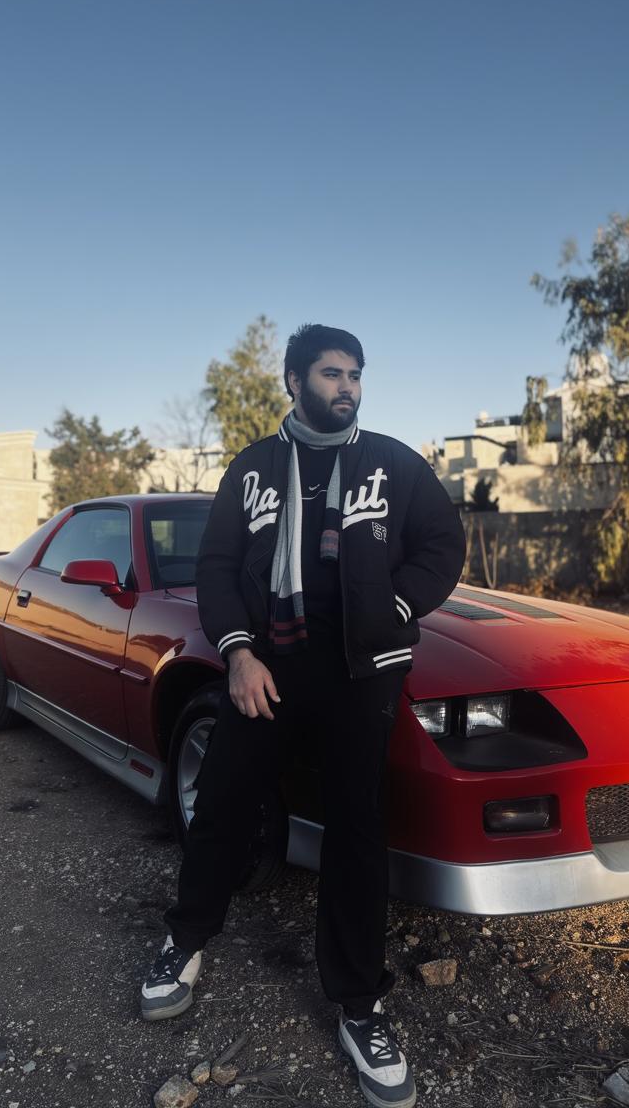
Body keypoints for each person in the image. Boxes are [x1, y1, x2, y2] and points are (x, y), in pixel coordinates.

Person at [140, 324, 465, 1108]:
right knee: (222, 802)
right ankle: (184, 942)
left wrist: (394, 606)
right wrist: (240, 652)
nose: (347, 386)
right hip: (268, 669)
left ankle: (359, 1005)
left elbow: (441, 545)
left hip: (361, 673)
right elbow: (215, 568)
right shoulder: (251, 469)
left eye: (355, 373)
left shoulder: (392, 463)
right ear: (293, 380)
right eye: (330, 372)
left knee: (357, 830)